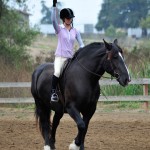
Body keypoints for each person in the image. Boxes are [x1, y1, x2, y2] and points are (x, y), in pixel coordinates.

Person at [51, 0, 84, 102]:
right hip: (60, 57)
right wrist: (54, 6)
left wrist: (81, 51)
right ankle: (53, 93)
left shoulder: (75, 31)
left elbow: (82, 44)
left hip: (71, 58)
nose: (69, 20)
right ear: (63, 19)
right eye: (68, 18)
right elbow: (53, 20)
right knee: (57, 72)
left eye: (71, 18)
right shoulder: (59, 29)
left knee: (82, 71)